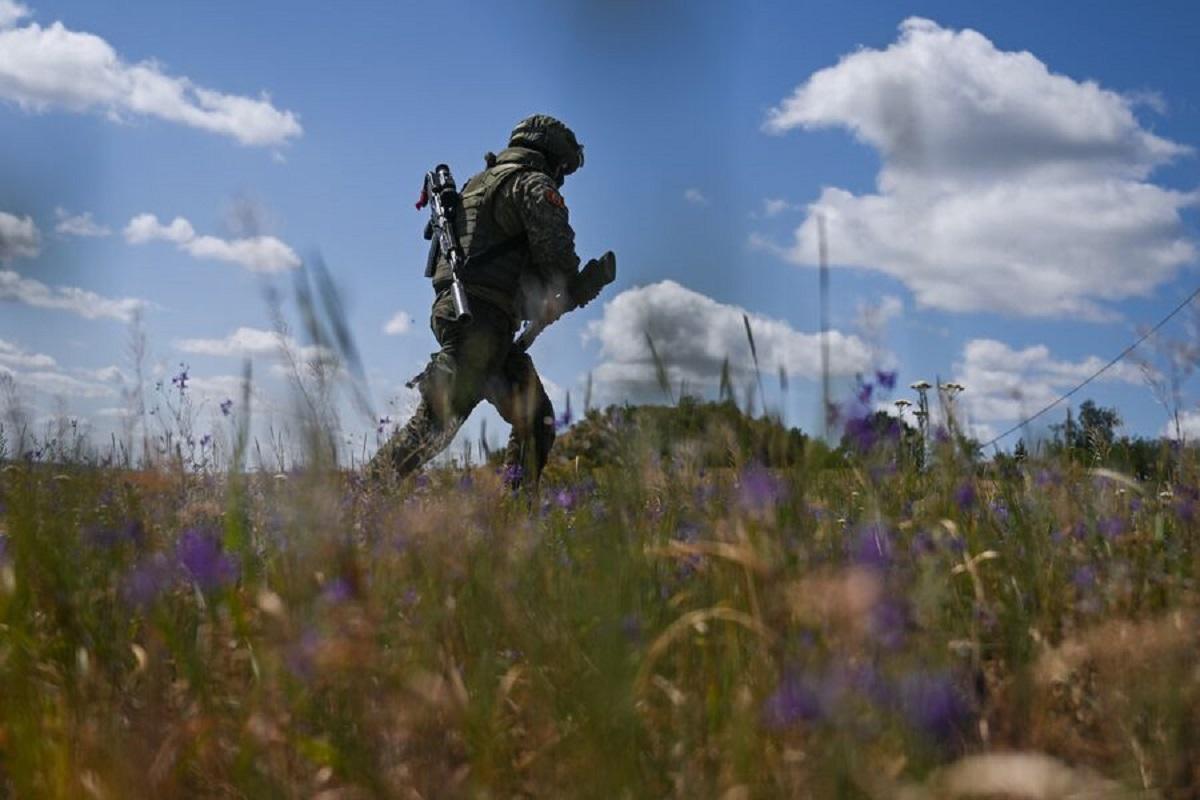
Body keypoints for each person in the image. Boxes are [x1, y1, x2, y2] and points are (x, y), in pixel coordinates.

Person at [371, 114, 604, 488]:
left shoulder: (478, 184)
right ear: (552, 156)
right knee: (434, 428)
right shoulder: (530, 183)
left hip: (466, 313)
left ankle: (517, 519)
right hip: (480, 320)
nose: (562, 176)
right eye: (564, 167)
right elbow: (557, 259)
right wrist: (576, 286)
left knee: (537, 420)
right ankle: (358, 507)